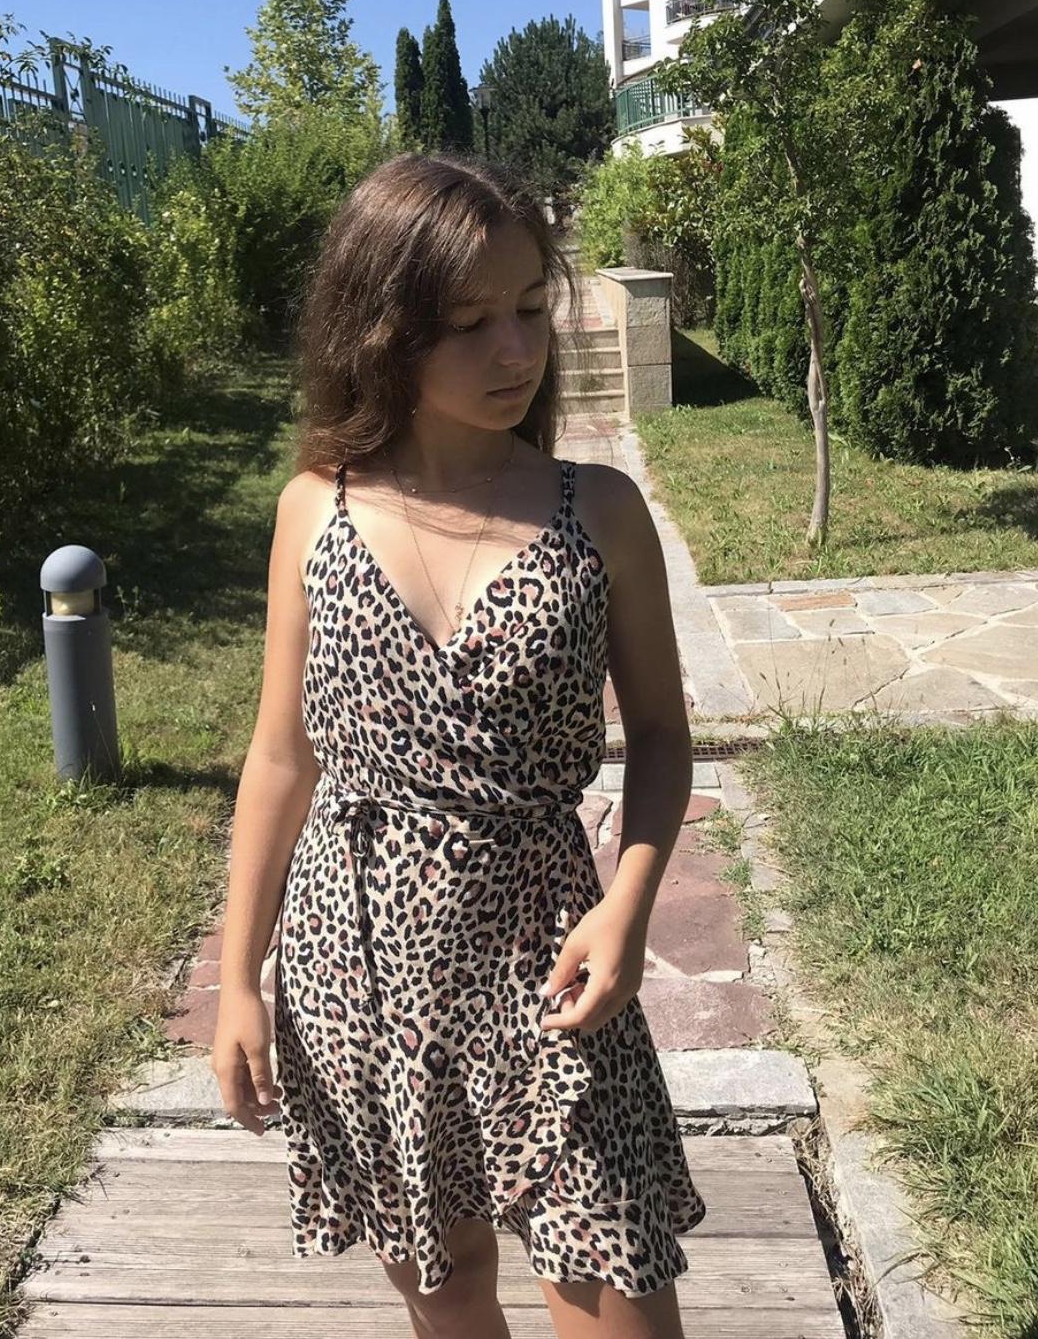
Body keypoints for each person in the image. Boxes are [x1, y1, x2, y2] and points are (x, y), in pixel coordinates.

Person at [211, 151, 707, 1339]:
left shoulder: (599, 512)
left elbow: (660, 736)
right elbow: (280, 758)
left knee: (621, 1292)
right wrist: (236, 979)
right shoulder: (314, 509)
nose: (515, 350)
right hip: (359, 962)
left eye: (531, 307)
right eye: (470, 322)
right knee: (447, 1299)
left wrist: (628, 904)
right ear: (381, 329)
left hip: (549, 954)